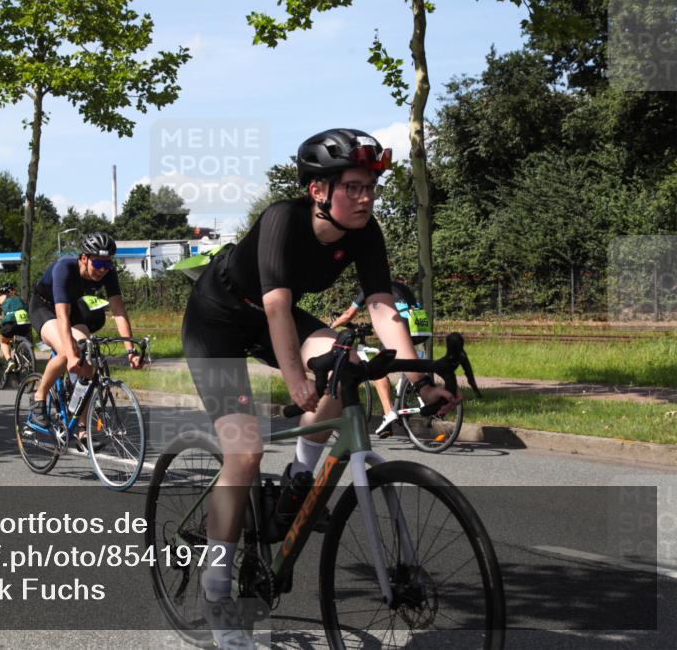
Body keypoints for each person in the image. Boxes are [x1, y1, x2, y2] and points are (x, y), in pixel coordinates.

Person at [181, 129, 461, 649]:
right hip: (217, 319)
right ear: (317, 190)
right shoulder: (281, 219)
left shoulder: (365, 232)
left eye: (370, 188)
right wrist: (295, 380)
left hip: (270, 318)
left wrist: (420, 381)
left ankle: (300, 477)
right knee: (243, 453)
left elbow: (381, 307)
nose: (365, 198)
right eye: (352, 187)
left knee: (345, 362)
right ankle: (216, 591)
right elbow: (276, 308)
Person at [28, 232, 143, 448]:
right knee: (66, 350)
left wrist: (130, 350)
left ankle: (82, 430)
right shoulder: (65, 268)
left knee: (88, 363)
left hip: (72, 308)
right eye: (98, 262)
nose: (102, 269)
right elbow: (61, 316)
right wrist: (71, 355)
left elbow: (118, 311)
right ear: (83, 258)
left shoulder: (108, 273)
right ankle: (39, 396)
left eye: (107, 264)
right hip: (45, 308)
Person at [330, 279, 427, 436]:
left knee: (376, 367)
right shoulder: (399, 286)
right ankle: (403, 397)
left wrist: (330, 327)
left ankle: (389, 412)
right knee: (406, 364)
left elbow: (348, 315)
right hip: (420, 328)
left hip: (402, 328)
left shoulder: (370, 287)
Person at [0, 284, 30, 362]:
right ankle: (24, 359)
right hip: (25, 322)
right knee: (17, 338)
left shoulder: (1, 298)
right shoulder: (18, 298)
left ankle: (10, 361)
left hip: (10, 321)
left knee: (3, 341)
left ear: (2, 292)